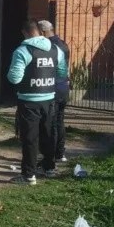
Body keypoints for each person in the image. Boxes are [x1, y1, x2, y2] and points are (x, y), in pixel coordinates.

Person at [7, 20, 67, 185]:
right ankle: (49, 168)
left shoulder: (22, 51)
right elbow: (62, 72)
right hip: (49, 99)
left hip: (28, 101)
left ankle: (28, 175)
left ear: (24, 33)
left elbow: (14, 78)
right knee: (48, 134)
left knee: (30, 138)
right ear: (40, 32)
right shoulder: (56, 50)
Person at [38, 20, 70, 163]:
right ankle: (60, 152)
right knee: (59, 120)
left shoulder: (49, 46)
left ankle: (51, 156)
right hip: (63, 87)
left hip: (53, 87)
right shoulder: (63, 44)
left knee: (52, 123)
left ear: (42, 32)